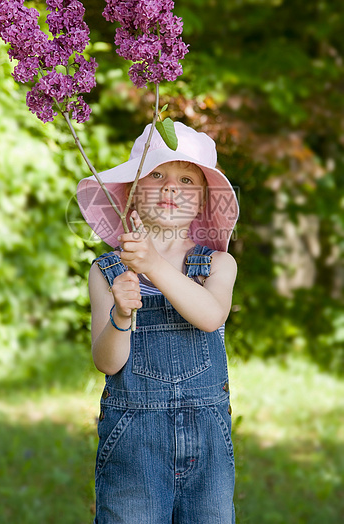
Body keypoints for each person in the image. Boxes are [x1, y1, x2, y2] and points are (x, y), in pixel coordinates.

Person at [77, 122, 239, 524]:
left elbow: (210, 316)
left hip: (209, 446)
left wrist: (152, 264)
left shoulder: (217, 265)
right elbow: (108, 363)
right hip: (133, 440)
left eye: (187, 179)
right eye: (157, 174)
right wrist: (121, 315)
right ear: (131, 192)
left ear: (202, 201)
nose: (171, 187)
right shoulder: (108, 271)